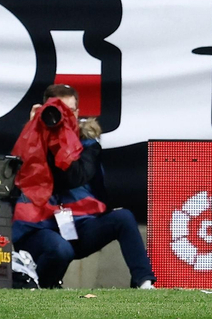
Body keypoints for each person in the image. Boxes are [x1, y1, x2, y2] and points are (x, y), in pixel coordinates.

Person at [10, 85, 154, 289]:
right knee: (61, 250)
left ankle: (144, 282)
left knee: (124, 217)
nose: (65, 116)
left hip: (79, 226)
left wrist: (61, 143)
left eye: (70, 111)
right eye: (59, 110)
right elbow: (19, 174)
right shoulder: (32, 138)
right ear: (45, 110)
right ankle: (34, 286)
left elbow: (74, 178)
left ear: (77, 113)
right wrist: (35, 128)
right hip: (40, 227)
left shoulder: (87, 142)